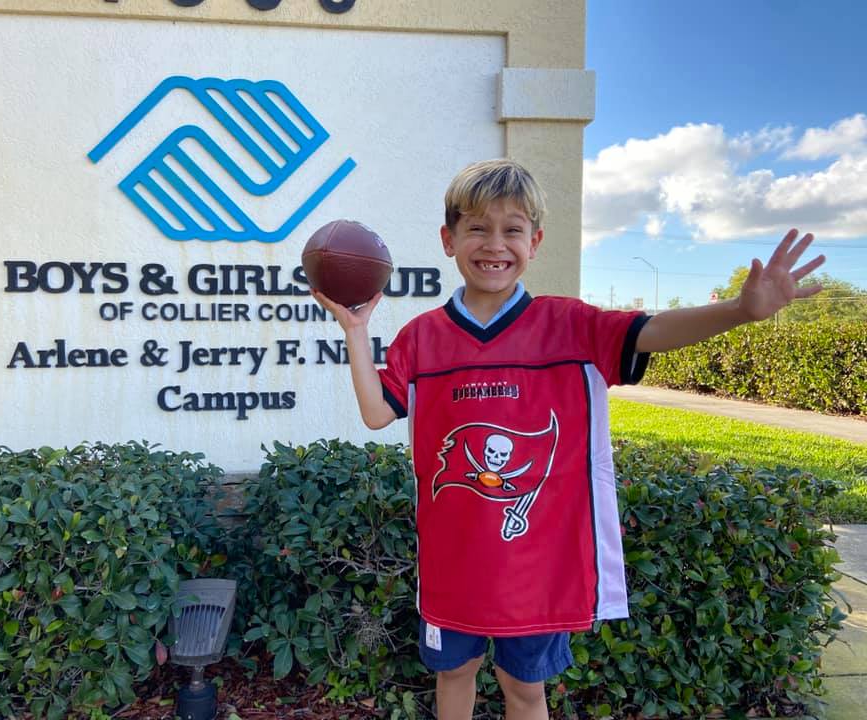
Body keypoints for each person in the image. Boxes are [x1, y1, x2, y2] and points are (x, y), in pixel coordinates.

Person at [310, 159, 825, 720]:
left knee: (525, 689)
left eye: (512, 229)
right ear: (448, 239)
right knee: (453, 674)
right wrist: (356, 331)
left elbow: (652, 329)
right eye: (477, 227)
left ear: (535, 240)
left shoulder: (570, 324)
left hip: (540, 571)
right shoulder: (423, 337)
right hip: (453, 565)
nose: (494, 244)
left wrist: (740, 311)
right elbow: (375, 412)